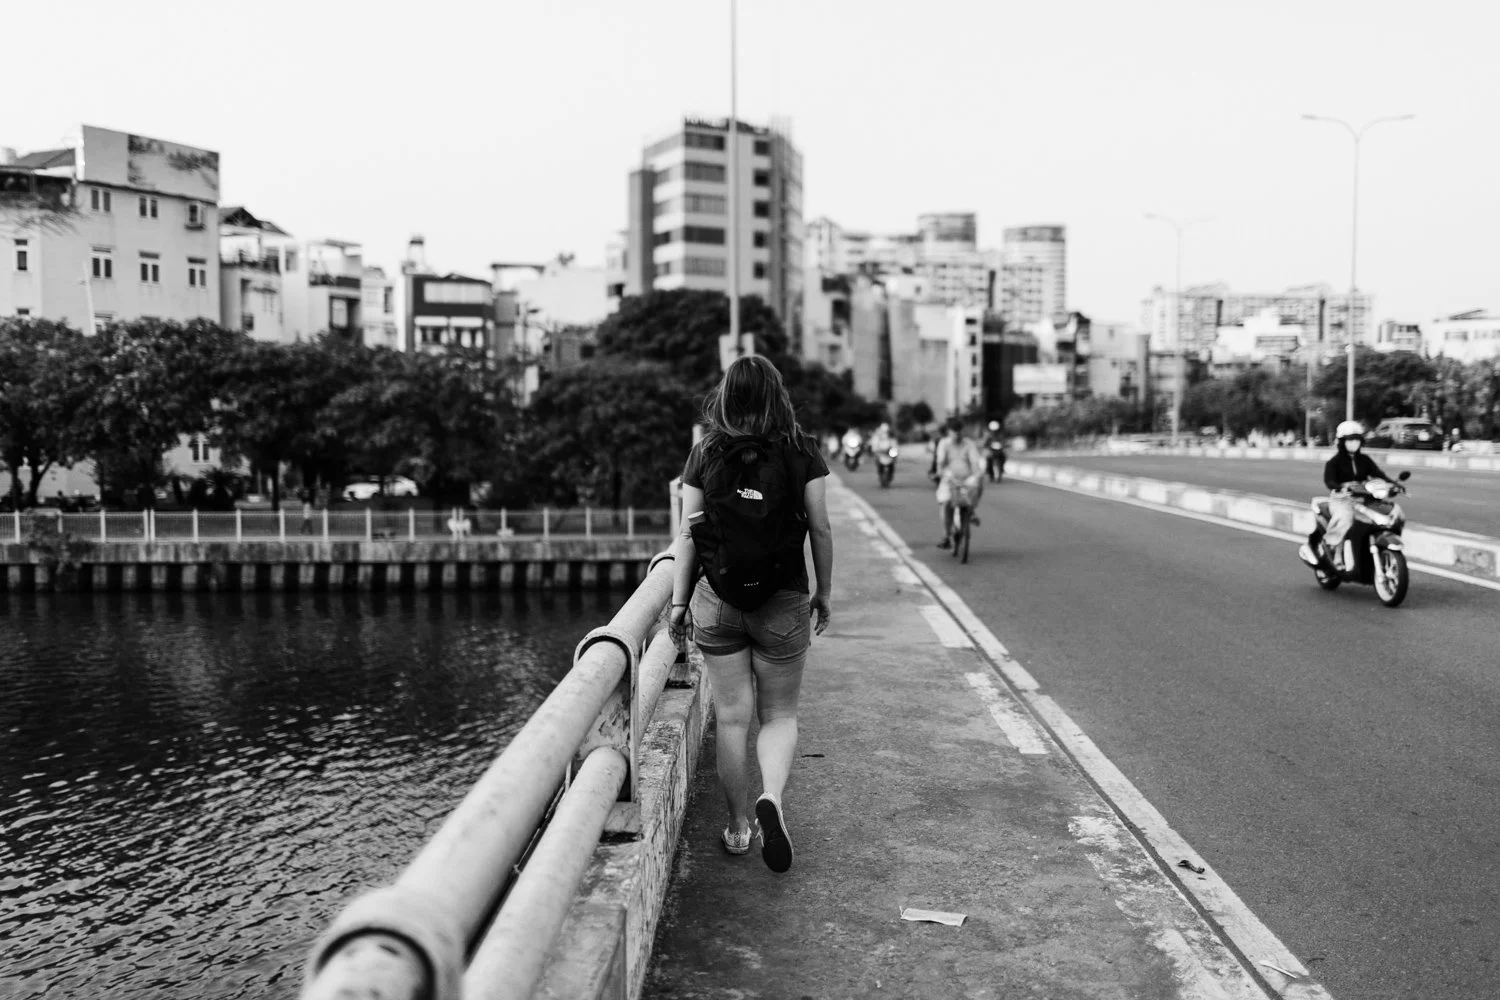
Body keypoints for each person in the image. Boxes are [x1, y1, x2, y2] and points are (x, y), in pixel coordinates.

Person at [667, 355, 834, 873]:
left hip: (718, 601)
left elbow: (688, 535)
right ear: (777, 396)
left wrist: (677, 603)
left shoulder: (704, 452)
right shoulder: (802, 452)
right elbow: (821, 529)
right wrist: (823, 593)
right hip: (783, 600)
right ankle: (773, 802)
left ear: (725, 397)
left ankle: (738, 828)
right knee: (779, 716)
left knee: (733, 719)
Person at [1321, 419, 1396, 570]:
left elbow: (1378, 474)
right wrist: (1340, 487)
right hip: (1342, 500)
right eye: (1350, 440)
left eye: (1356, 439)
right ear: (1342, 442)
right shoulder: (1334, 462)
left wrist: (1393, 484)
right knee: (1346, 519)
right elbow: (1329, 481)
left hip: (1363, 499)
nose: (1354, 443)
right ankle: (1335, 550)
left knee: (1389, 515)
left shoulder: (1365, 460)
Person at [932, 417, 986, 548]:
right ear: (949, 432)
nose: (957, 434)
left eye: (959, 431)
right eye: (954, 431)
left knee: (979, 483)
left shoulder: (969, 444)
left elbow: (975, 463)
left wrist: (976, 474)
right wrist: (942, 472)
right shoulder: (944, 444)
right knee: (945, 504)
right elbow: (940, 464)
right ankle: (946, 536)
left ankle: (971, 510)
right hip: (949, 480)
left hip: (967, 480)